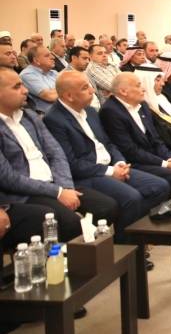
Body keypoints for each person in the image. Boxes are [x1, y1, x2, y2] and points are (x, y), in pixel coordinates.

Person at [43, 71, 170, 234]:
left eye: (90, 86)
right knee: (131, 198)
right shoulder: (54, 119)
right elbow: (71, 163)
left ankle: (134, 232)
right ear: (69, 96)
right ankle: (124, 242)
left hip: (110, 166)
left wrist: (119, 162)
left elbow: (108, 143)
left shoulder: (90, 111)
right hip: (88, 175)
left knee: (160, 186)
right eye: (85, 88)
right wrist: (110, 171)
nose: (92, 90)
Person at [0, 67, 119, 240]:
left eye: (23, 85)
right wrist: (57, 192)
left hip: (56, 183)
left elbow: (56, 153)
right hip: (25, 193)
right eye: (17, 87)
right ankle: (74, 256)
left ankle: (102, 252)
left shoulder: (29, 116)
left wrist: (65, 187)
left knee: (106, 206)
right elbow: (8, 178)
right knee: (68, 221)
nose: (25, 90)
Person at [99, 72, 171, 196]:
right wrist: (166, 164)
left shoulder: (142, 105)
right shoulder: (110, 111)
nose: (143, 89)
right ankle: (168, 206)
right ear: (123, 91)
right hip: (133, 162)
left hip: (152, 156)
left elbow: (156, 139)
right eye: (138, 85)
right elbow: (130, 150)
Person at [19, 46, 59, 113]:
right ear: (36, 60)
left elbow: (71, 89)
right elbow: (50, 96)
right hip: (48, 113)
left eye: (51, 54)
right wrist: (64, 88)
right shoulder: (27, 75)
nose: (53, 57)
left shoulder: (54, 73)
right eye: (47, 55)